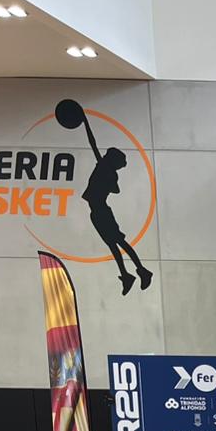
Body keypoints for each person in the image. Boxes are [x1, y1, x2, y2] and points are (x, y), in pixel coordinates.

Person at [78, 117, 152, 296]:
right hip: (97, 213)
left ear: (110, 160)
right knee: (114, 244)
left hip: (101, 212)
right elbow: (116, 189)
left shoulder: (105, 169)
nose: (102, 156)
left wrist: (86, 123)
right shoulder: (108, 171)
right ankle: (127, 274)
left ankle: (141, 270)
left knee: (118, 242)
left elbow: (93, 143)